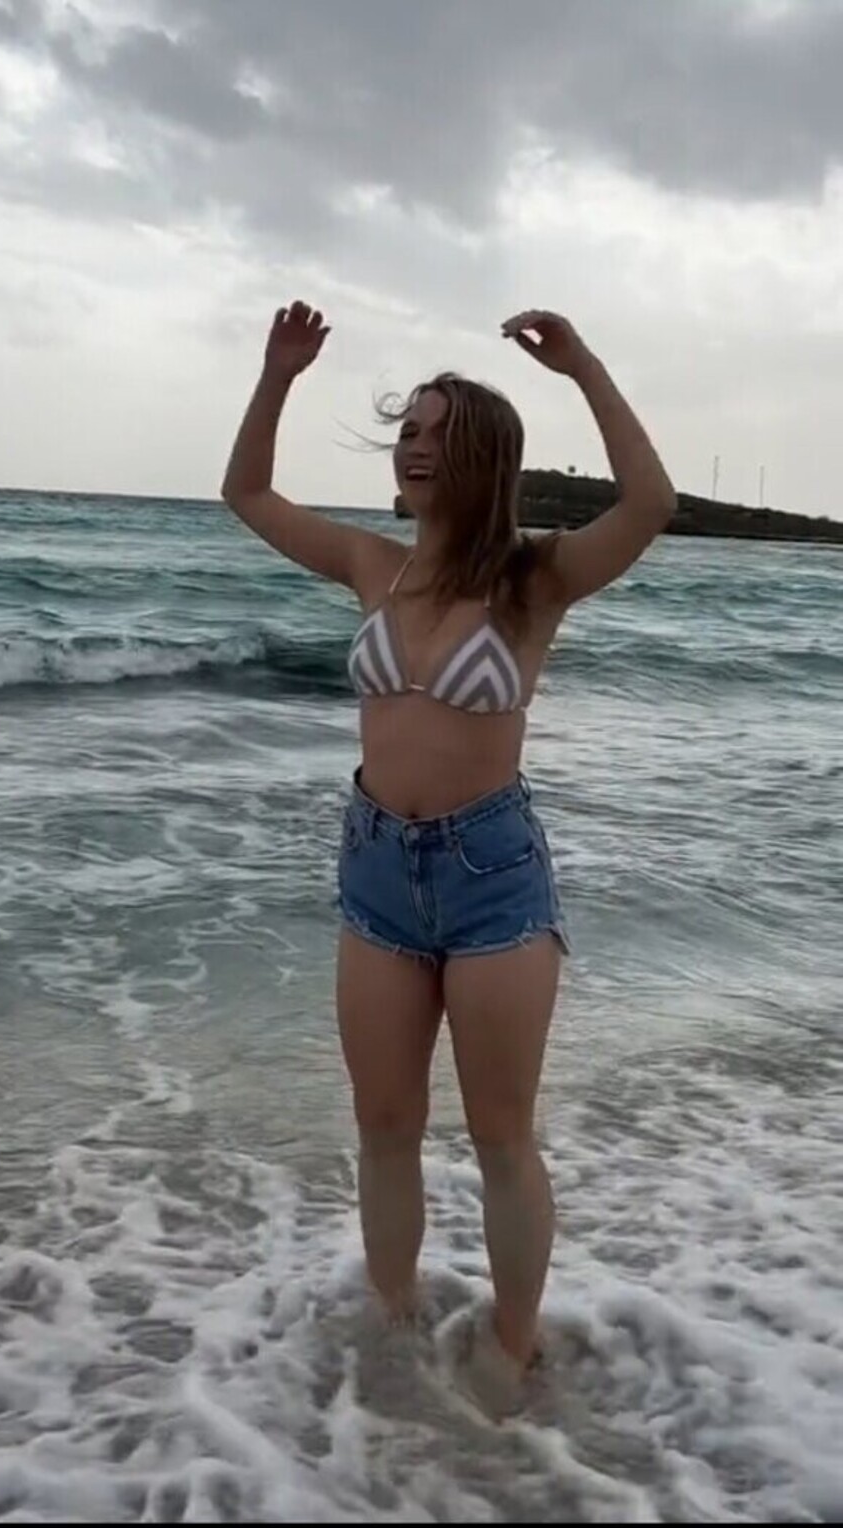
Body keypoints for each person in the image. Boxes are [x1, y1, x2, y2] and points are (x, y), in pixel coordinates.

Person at [221, 301, 675, 1388]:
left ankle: (515, 1350)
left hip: (492, 875)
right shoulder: (371, 565)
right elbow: (246, 493)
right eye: (409, 430)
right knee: (384, 1123)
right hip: (377, 867)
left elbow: (651, 502)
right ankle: (390, 1333)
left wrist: (583, 366)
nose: (415, 448)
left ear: (484, 460)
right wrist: (278, 375)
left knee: (500, 1135)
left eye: (439, 434)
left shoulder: (536, 579)